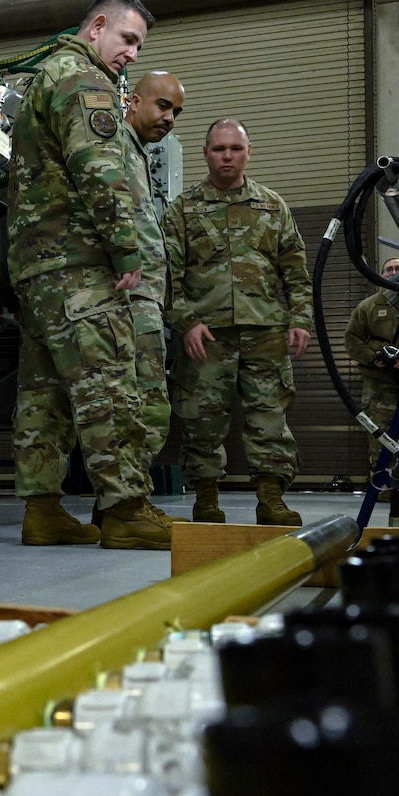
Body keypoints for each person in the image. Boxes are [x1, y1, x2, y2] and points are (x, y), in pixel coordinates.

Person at [7, 0, 170, 550]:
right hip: (78, 265)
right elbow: (100, 171)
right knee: (109, 381)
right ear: (98, 26)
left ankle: (42, 509)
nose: (130, 54)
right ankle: (125, 511)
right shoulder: (84, 79)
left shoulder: (44, 78)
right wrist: (126, 250)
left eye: (138, 46)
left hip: (35, 267)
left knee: (43, 392)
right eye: (127, 40)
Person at [165, 118, 312, 527]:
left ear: (249, 152)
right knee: (202, 420)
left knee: (269, 418)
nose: (226, 156)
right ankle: (206, 500)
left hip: (265, 333)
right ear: (205, 153)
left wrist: (300, 319)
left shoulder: (272, 206)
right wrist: (186, 322)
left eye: (234, 148)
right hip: (206, 336)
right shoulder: (183, 208)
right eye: (218, 149)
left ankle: (271, 499)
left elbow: (295, 271)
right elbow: (167, 276)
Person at [86, 72, 185, 527]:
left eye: (176, 113)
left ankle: (120, 504)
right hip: (127, 298)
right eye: (163, 106)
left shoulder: (137, 152)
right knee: (140, 404)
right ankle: (124, 508)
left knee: (143, 403)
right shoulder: (114, 143)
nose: (169, 118)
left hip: (144, 299)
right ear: (135, 99)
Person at [345, 256, 399, 473]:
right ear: (381, 275)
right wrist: (373, 357)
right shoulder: (367, 307)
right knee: (380, 436)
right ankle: (384, 485)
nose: (393, 273)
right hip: (379, 384)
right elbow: (352, 338)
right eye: (388, 269)